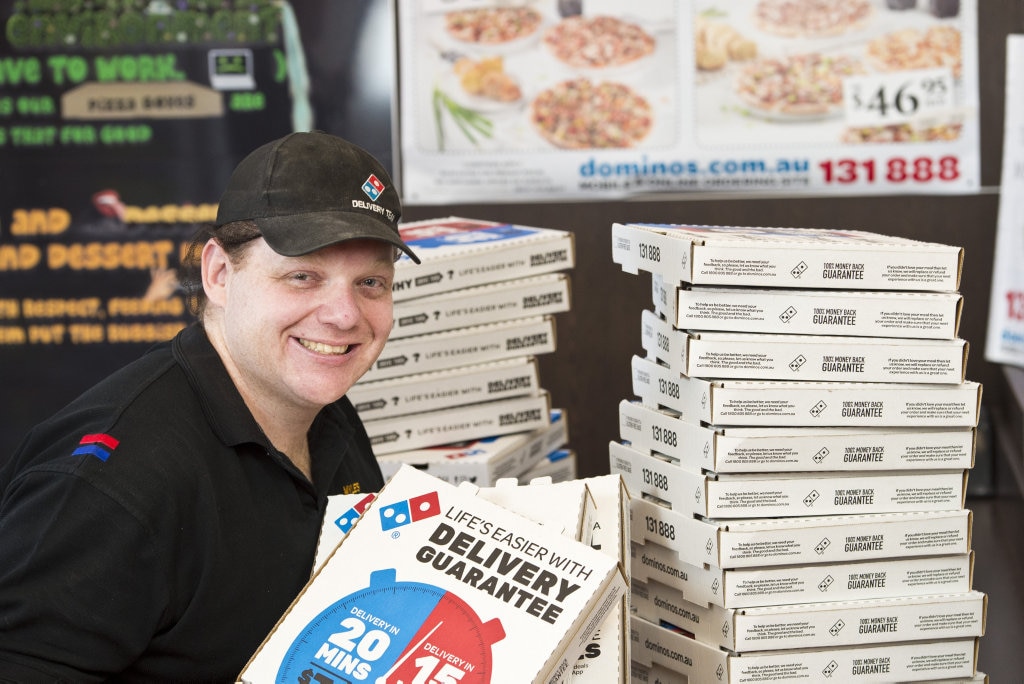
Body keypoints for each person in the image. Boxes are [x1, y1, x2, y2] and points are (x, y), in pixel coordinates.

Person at [0, 131, 420, 682]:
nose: (344, 316)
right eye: (302, 276)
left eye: (370, 282)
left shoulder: (325, 410)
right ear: (219, 273)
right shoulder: (111, 485)